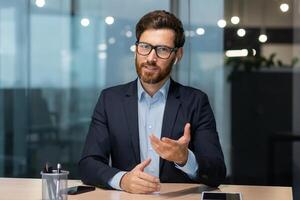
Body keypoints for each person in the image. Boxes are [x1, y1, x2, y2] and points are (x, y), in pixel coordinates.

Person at [79, 10, 226, 194]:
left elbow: (218, 173)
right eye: (145, 46)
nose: (150, 58)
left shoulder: (196, 102)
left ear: (177, 54)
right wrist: (123, 180)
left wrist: (185, 158)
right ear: (136, 48)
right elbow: (88, 164)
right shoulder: (110, 100)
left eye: (162, 49)